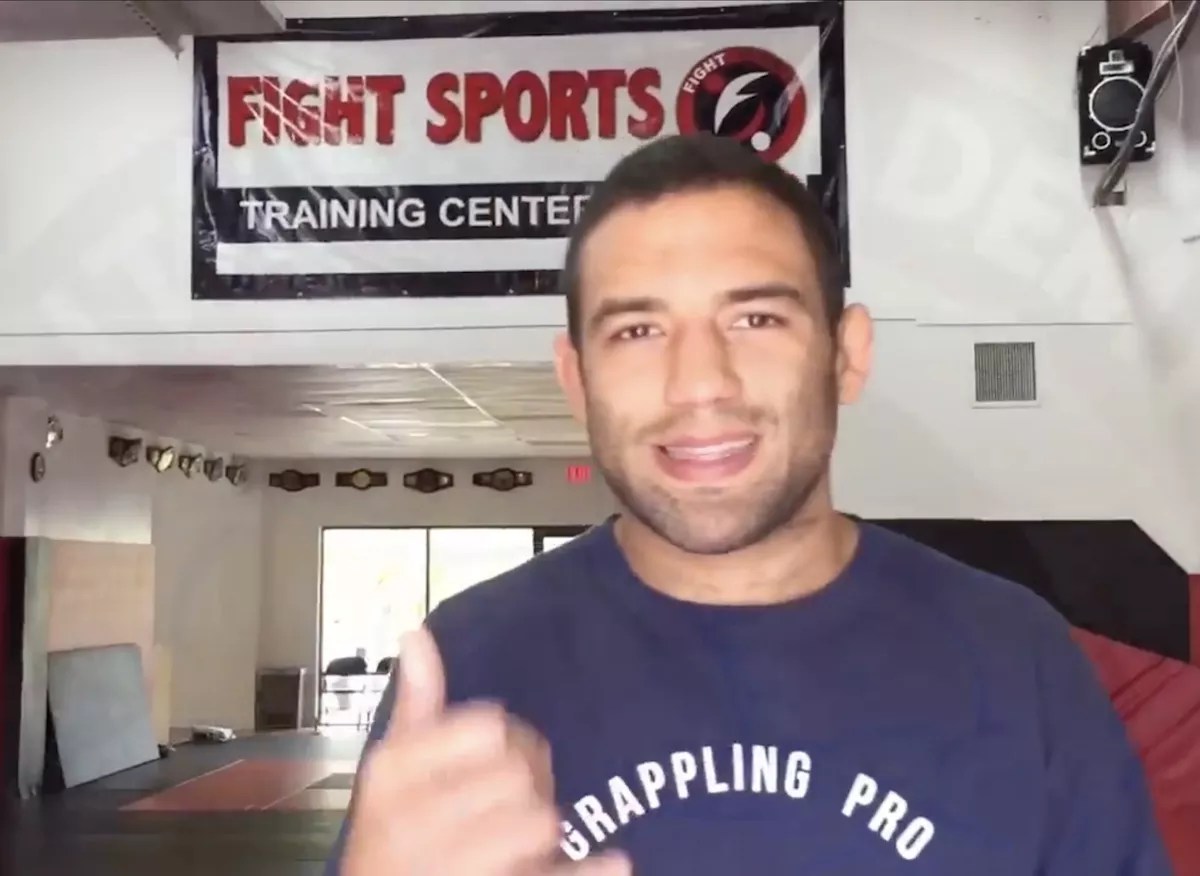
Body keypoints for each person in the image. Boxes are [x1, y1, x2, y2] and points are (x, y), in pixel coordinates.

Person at [324, 134, 1171, 875]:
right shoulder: (470, 666)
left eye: (756, 319)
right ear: (577, 380)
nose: (701, 384)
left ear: (846, 356)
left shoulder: (1020, 659)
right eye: (637, 331)